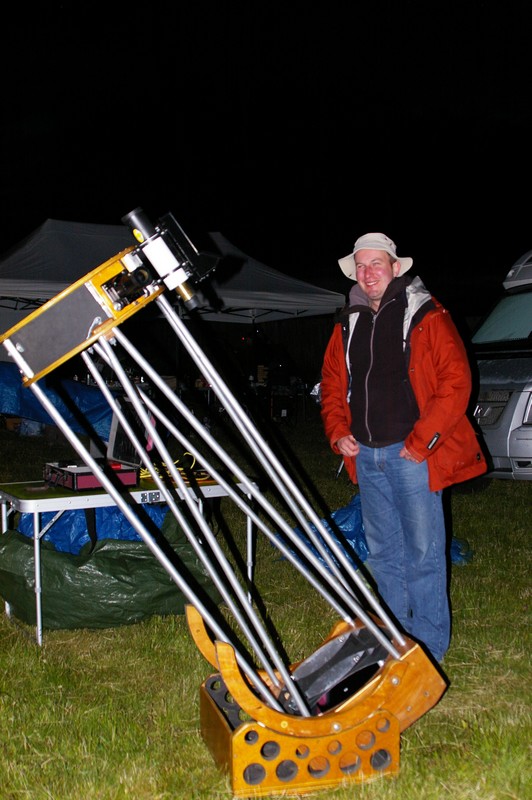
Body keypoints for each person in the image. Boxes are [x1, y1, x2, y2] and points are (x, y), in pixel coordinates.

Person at [320, 232, 487, 663]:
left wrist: (422, 440)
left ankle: (428, 649)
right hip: (366, 455)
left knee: (423, 554)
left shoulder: (426, 313)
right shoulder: (347, 322)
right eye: (361, 266)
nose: (368, 273)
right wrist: (338, 431)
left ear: (395, 267)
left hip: (411, 455)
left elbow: (456, 381)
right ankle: (396, 643)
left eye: (376, 263)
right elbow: (332, 383)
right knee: (383, 554)